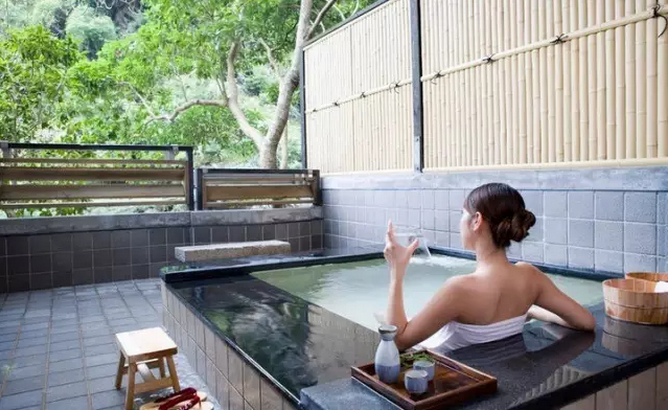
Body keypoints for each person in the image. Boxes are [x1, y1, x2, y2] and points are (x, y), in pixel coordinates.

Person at [383, 183, 595, 352]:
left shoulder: (459, 289)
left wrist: (396, 271)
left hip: (455, 378)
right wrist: (529, 309)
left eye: (462, 214)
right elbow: (586, 321)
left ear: (476, 220)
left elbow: (397, 341)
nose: (460, 222)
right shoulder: (530, 277)